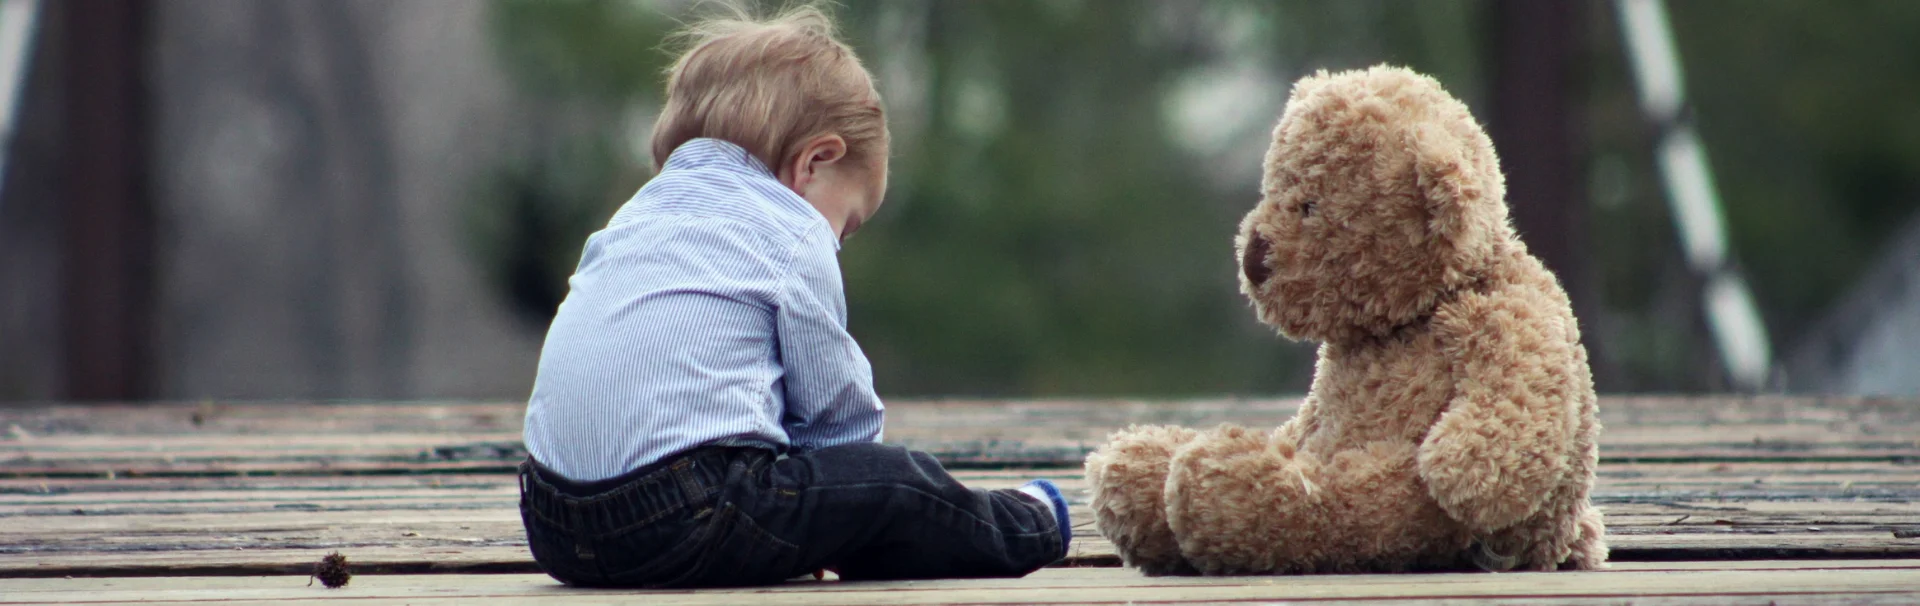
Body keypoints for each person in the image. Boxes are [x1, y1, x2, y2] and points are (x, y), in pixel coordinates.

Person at [516, 4, 1070, 589]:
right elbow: (837, 420)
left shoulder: (634, 217)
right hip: (683, 515)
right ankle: (1030, 522)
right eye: (848, 223)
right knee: (899, 484)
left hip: (552, 522)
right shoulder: (791, 230)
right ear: (815, 162)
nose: (837, 242)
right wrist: (853, 502)